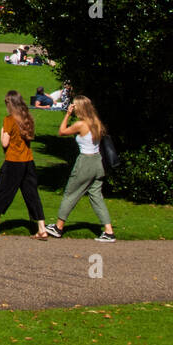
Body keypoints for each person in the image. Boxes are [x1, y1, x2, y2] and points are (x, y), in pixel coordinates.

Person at [0, 90, 48, 239]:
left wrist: (2, 131)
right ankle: (42, 228)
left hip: (13, 162)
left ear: (10, 104)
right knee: (32, 195)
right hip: (28, 161)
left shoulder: (9, 120)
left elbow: (5, 142)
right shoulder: (27, 118)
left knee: (1, 192)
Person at [47, 97, 116, 241]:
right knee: (96, 196)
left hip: (85, 161)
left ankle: (58, 227)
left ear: (80, 108)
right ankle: (108, 231)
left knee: (70, 193)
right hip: (98, 162)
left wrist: (67, 114)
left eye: (75, 105)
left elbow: (62, 131)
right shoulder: (96, 122)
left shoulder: (80, 125)